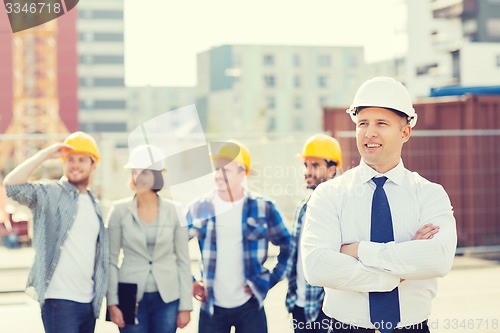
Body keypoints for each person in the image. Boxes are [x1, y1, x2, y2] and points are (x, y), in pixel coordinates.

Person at [301, 77, 457, 333]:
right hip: (345, 328)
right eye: (363, 123)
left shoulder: (430, 195)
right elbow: (317, 265)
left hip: (412, 327)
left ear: (405, 132)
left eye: (381, 123)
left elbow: (438, 258)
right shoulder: (329, 194)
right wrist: (398, 272)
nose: (369, 132)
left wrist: (358, 250)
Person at [3, 131, 108, 333]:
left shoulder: (95, 204)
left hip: (88, 301)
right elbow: (11, 186)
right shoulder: (50, 193)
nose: (75, 165)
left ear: (93, 165)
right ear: (63, 163)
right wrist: (44, 155)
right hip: (59, 300)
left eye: (81, 160)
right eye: (70, 160)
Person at [186, 140, 291, 333]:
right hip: (212, 308)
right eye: (216, 169)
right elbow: (175, 247)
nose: (218, 175)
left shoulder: (262, 208)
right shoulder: (200, 208)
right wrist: (190, 280)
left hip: (250, 307)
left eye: (225, 170)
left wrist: (267, 280)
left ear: (243, 173)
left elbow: (289, 246)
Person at [106, 144, 192, 333]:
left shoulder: (175, 210)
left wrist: (186, 305)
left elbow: (184, 261)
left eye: (144, 172)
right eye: (134, 172)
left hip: (168, 296)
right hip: (128, 294)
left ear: (157, 175)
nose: (138, 177)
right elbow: (110, 260)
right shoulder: (118, 211)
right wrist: (112, 302)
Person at [286, 133, 342, 333]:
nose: (308, 171)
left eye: (315, 166)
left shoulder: (341, 207)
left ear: (332, 169)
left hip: (325, 307)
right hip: (299, 304)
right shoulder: (304, 207)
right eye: (306, 165)